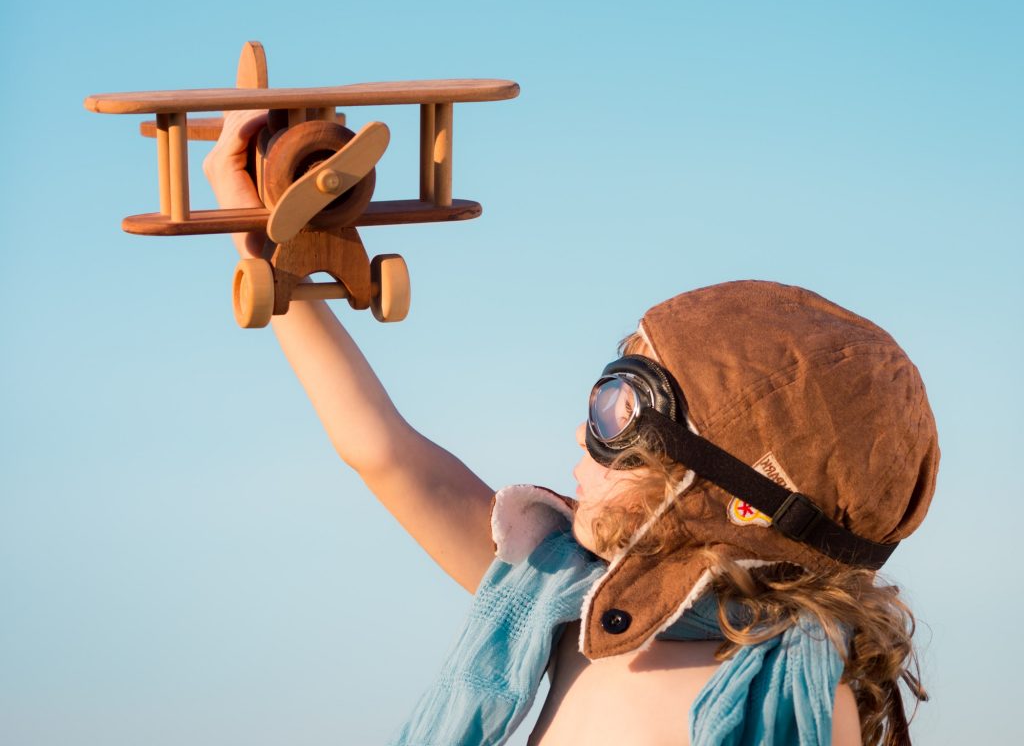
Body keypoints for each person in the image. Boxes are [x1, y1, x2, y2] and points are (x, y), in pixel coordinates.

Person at [204, 111, 939, 746]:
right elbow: (385, 452)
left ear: (728, 488)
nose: (583, 436)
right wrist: (261, 245)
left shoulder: (795, 704)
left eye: (619, 411)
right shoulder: (563, 602)